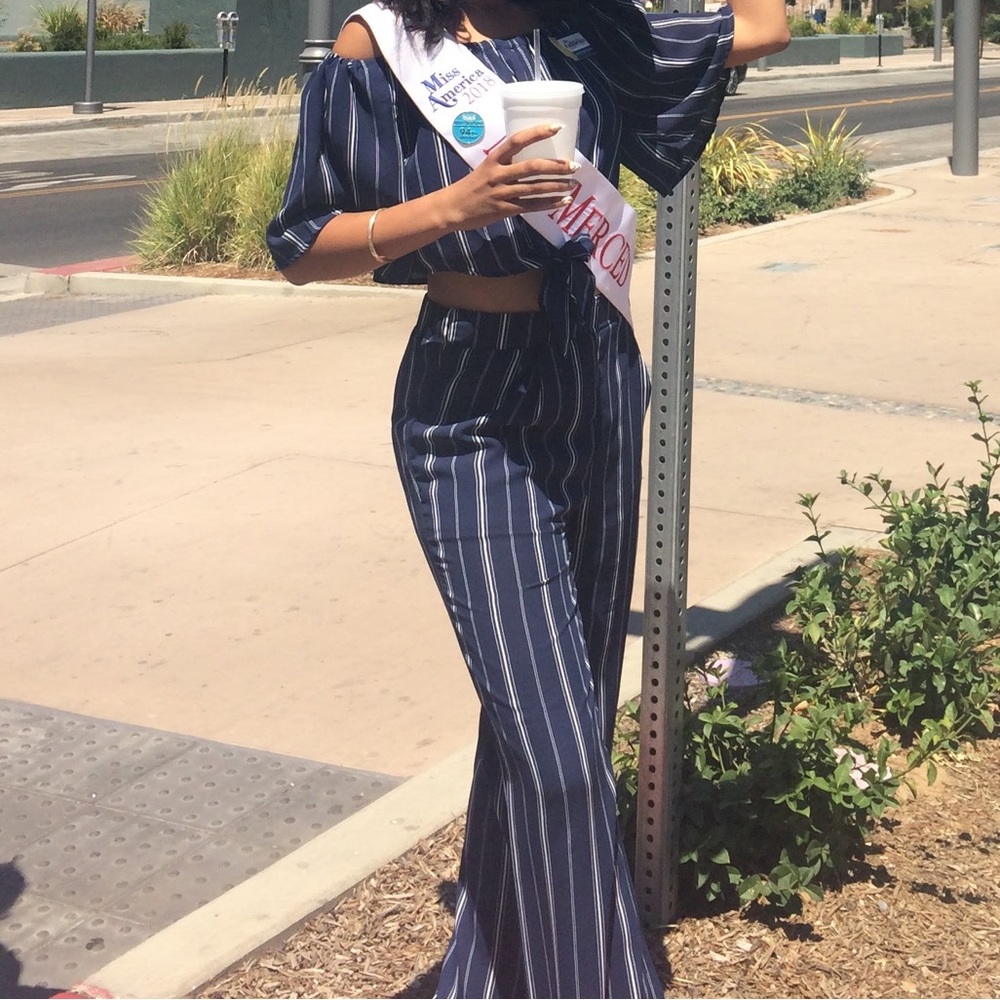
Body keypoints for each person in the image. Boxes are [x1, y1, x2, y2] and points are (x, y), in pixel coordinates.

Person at [267, 1, 788, 996]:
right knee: (553, 753)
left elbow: (767, 25)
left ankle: (501, 967)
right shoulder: (380, 45)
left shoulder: (585, 29)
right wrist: (456, 208)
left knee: (570, 717)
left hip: (591, 376)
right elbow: (303, 243)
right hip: (467, 401)